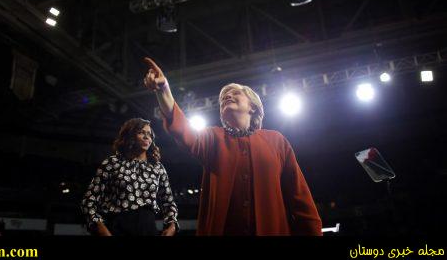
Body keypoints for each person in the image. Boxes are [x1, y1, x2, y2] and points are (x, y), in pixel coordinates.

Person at [143, 57, 322, 236]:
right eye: (222, 99)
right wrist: (164, 89)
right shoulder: (212, 137)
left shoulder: (276, 141)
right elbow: (182, 130)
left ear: (253, 107)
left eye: (235, 93)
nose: (227, 97)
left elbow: (300, 197)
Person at [81, 118, 178, 236]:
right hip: (116, 228)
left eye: (149, 134)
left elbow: (169, 202)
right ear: (130, 136)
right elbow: (88, 201)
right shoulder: (112, 163)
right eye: (141, 132)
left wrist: (172, 225)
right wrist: (101, 228)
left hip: (148, 228)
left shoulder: (157, 167)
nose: (147, 137)